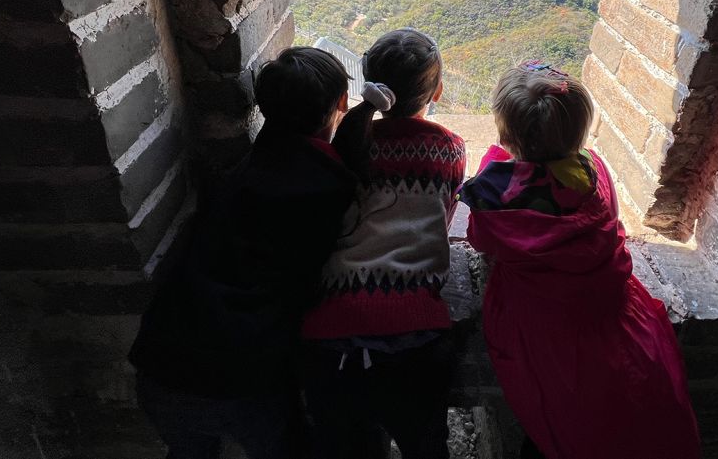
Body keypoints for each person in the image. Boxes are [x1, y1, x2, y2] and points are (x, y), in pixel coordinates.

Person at [459, 62, 701, 459]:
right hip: (616, 314)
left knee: (560, 422)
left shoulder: (492, 196)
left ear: (506, 134)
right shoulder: (594, 171)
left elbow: (479, 237)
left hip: (544, 331)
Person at [128, 47, 358, 459]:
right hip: (243, 380)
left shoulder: (243, 171)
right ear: (342, 102)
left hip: (163, 363)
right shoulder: (329, 187)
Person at [300, 29, 466, 459]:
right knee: (425, 445)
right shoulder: (448, 150)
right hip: (416, 334)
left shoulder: (352, 143)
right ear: (438, 91)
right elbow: (442, 216)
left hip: (329, 336)